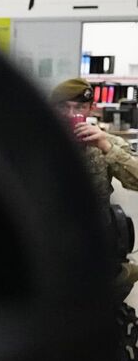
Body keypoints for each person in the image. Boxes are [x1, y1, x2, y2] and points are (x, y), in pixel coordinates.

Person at [54, 76, 138, 286]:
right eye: (64, 107)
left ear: (91, 109)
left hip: (95, 243)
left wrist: (106, 147)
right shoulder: (37, 141)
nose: (73, 115)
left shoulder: (104, 142)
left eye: (80, 107)